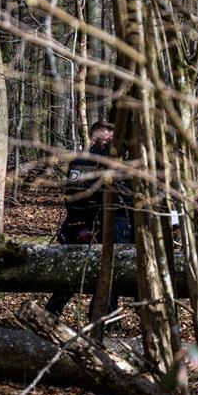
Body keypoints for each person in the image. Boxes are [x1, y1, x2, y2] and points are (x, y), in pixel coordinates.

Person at [45, 121, 134, 318]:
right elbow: (74, 196)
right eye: (107, 131)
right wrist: (81, 226)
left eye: (113, 130)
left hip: (118, 223)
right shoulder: (81, 162)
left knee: (114, 270)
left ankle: (103, 317)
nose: (111, 134)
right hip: (85, 224)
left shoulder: (123, 161)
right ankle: (52, 312)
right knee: (75, 271)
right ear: (96, 135)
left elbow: (129, 196)